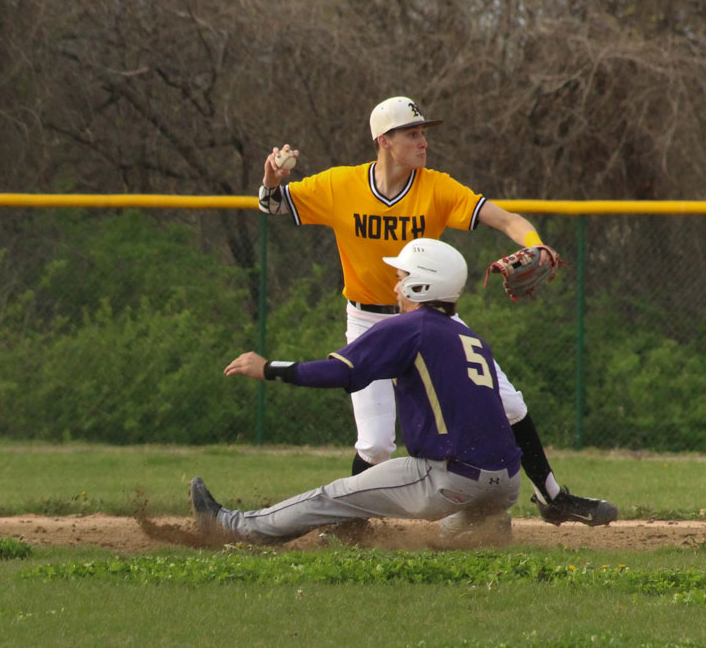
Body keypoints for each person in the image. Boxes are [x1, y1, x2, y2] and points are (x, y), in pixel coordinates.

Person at [256, 95, 615, 526]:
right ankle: (350, 528)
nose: (423, 142)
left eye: (424, 133)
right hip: (369, 318)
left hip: (432, 318)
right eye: (413, 133)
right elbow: (274, 204)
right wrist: (271, 180)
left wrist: (533, 241)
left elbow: (505, 219)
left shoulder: (436, 186)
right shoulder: (340, 185)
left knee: (511, 404)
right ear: (384, 140)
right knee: (375, 445)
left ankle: (553, 497)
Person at [194, 239, 520, 544]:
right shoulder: (472, 339)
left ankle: (231, 526)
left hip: (451, 479)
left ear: (421, 284)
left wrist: (269, 368)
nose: (395, 287)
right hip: (506, 483)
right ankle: (487, 525)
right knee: (454, 536)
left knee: (334, 496)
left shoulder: (410, 327)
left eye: (401, 277)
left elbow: (340, 372)